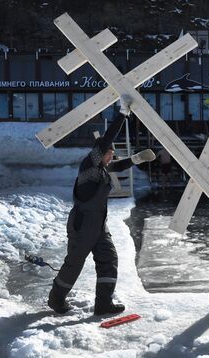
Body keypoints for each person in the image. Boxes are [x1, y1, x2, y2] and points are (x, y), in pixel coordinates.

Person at [48, 95, 156, 315]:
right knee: (74, 264)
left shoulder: (101, 170)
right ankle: (56, 299)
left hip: (98, 225)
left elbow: (116, 166)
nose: (111, 157)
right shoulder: (89, 166)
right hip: (82, 224)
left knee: (109, 259)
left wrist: (136, 159)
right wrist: (122, 114)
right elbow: (106, 141)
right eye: (109, 154)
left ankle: (103, 303)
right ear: (101, 153)